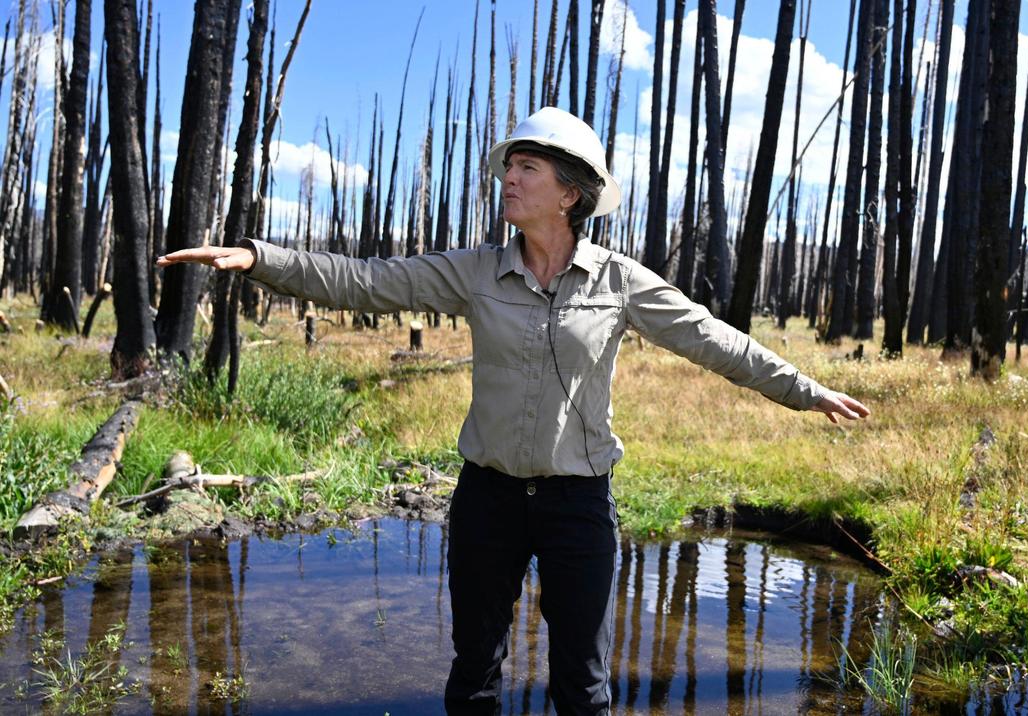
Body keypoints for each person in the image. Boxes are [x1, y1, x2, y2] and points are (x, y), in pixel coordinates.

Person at [158, 106, 869, 715]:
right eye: (508, 167)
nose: (509, 179)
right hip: (487, 501)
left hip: (579, 506)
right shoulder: (475, 272)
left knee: (582, 687)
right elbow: (365, 281)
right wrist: (258, 257)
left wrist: (804, 389)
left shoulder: (621, 283)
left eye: (527, 168)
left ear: (570, 194)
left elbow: (714, 340)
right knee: (474, 672)